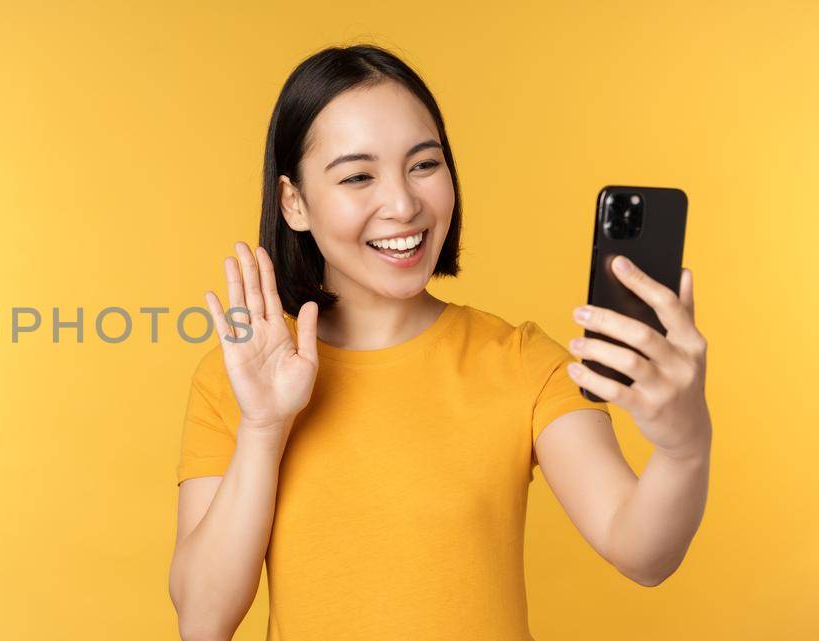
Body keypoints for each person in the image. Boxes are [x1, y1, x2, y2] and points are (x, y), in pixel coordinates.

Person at [166, 44, 713, 641]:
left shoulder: (521, 362)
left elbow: (642, 551)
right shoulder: (239, 380)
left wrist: (685, 446)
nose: (403, 205)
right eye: (357, 176)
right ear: (294, 201)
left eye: (424, 165)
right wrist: (263, 429)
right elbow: (202, 620)